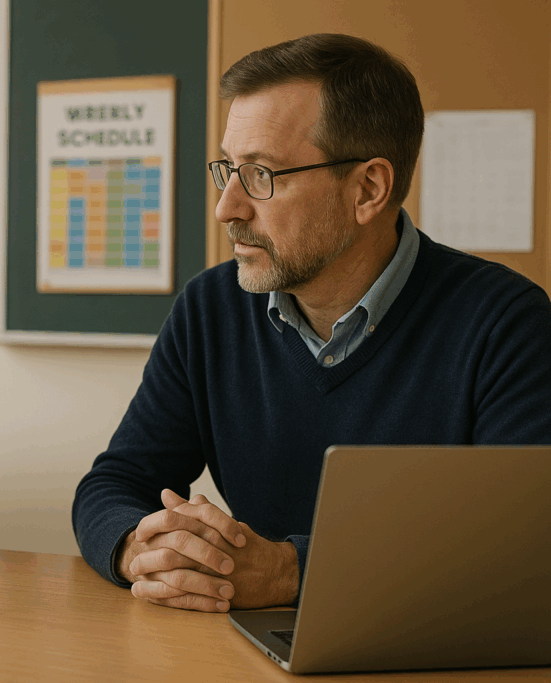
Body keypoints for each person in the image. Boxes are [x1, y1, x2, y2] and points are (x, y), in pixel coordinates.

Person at [73, 33, 551, 613]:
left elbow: (524, 548)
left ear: (368, 189)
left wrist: (292, 572)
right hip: (241, 642)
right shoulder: (210, 308)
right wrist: (141, 548)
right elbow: (114, 484)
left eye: (262, 174)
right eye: (229, 169)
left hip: (428, 643)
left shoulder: (506, 322)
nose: (227, 207)